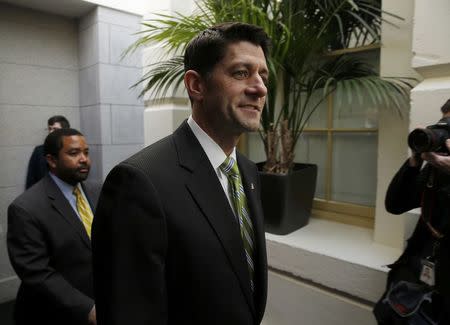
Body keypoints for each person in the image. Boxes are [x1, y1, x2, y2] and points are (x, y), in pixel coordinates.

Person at [92, 22, 270, 325]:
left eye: (262, 75)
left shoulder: (249, 172)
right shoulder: (137, 183)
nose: (260, 88)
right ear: (196, 85)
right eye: (241, 73)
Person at [8, 128, 100, 325]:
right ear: (51, 160)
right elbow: (36, 272)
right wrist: (86, 308)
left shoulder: (97, 192)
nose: (83, 159)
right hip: (54, 312)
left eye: (86, 152)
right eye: (74, 153)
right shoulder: (25, 208)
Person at [374, 100, 450, 324]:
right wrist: (414, 161)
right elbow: (395, 204)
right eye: (443, 121)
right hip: (414, 284)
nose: (444, 129)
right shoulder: (438, 170)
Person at [26, 115, 71, 189]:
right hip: (43, 194)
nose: (51, 132)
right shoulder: (39, 151)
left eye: (55, 129)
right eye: (49, 129)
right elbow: (31, 178)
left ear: (65, 131)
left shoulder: (72, 151)